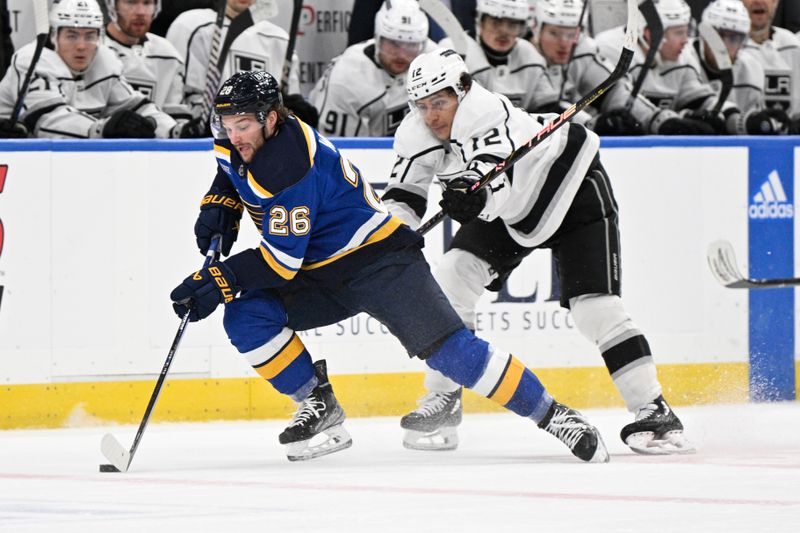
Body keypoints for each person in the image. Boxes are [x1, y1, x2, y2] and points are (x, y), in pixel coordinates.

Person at [168, 69, 610, 464]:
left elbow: (281, 263)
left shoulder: (288, 166)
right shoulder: (241, 138)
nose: (233, 134)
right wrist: (221, 202)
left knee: (454, 354)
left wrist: (220, 278)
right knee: (247, 315)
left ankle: (553, 415)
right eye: (226, 125)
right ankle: (318, 403)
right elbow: (230, 168)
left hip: (378, 261)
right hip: (319, 269)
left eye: (242, 125)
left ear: (271, 118)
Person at [384, 48, 693, 456]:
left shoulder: (487, 112)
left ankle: (654, 410)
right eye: (421, 105)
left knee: (594, 308)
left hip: (569, 188)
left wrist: (473, 195)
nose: (431, 116)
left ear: (463, 90)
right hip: (510, 213)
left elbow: (494, 178)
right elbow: (403, 198)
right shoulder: (417, 132)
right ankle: (444, 396)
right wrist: (386, 238)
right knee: (453, 275)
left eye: (439, 102)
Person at [531, 0, 713, 135]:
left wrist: (662, 121)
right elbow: (546, 106)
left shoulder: (583, 49)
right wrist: (591, 124)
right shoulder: (526, 55)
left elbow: (614, 92)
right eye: (554, 33)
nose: (565, 44)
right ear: (537, 28)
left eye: (572, 34)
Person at [0, 0, 177, 139]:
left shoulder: (105, 59)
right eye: (71, 35)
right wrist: (104, 128)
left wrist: (174, 131)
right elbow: (49, 121)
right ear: (54, 36)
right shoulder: (32, 60)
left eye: (90, 36)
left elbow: (138, 107)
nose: (81, 46)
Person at [165, 0, 316, 127]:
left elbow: (288, 103)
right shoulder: (191, 26)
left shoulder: (279, 40)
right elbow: (175, 99)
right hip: (208, 146)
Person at [309, 0, 435, 137]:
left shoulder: (435, 60)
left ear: (422, 44)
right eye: (394, 43)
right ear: (378, 39)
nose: (401, 55)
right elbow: (341, 149)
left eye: (411, 45)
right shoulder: (346, 79)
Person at [104, 0, 205, 138]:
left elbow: (176, 119)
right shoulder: (91, 51)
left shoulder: (168, 54)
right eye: (131, 2)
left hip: (155, 155)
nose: (140, 12)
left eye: (147, 3)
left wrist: (188, 130)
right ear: (112, 6)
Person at [688, 0, 788, 134]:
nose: (725, 46)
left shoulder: (752, 71)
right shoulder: (684, 61)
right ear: (705, 33)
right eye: (719, 35)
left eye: (735, 38)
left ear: (743, 42)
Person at [441, 0, 559, 112]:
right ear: (479, 21)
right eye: (496, 22)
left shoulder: (530, 55)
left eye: (513, 24)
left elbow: (548, 109)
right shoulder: (453, 50)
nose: (504, 32)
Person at [739, 0, 800, 133]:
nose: (758, 1)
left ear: (776, 3)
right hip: (739, 139)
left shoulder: (793, 45)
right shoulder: (725, 47)